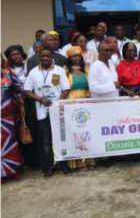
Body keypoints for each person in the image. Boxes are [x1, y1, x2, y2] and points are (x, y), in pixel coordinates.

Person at [24, 49, 70, 177]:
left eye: (47, 56)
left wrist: (57, 103)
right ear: (39, 57)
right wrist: (40, 99)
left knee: (61, 138)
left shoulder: (59, 70)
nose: (45, 58)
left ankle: (63, 164)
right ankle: (49, 166)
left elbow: (66, 88)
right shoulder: (33, 72)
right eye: (42, 56)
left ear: (51, 58)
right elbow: (27, 90)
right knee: (46, 141)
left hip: (58, 111)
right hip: (42, 111)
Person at [63, 46, 95, 171]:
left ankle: (90, 159)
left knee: (88, 132)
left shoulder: (86, 70)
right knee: (76, 133)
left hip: (86, 102)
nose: (76, 58)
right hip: (72, 104)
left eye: (78, 56)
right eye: (73, 56)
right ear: (69, 58)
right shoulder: (65, 70)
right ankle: (79, 162)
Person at [1, 57, 26, 183]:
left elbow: (19, 87)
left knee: (10, 141)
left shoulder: (8, 72)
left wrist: (21, 106)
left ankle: (13, 170)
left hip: (9, 114)